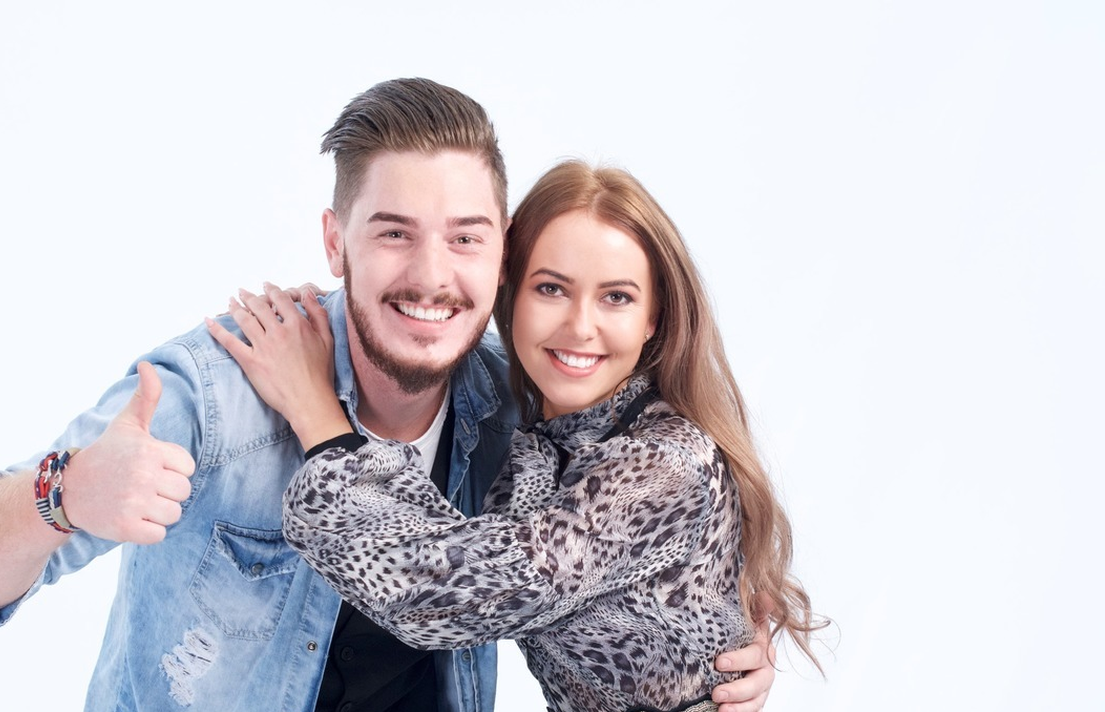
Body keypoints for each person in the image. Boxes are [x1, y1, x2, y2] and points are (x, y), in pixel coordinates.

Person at [0, 79, 776, 711]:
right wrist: (64, 494)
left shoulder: (517, 409)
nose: (432, 276)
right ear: (335, 242)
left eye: (465, 238)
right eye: (394, 233)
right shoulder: (214, 394)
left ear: (502, 255)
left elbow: (609, 552)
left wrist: (717, 655)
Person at [214, 160, 821, 712]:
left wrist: (318, 417)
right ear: (509, 289)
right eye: (551, 288)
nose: (580, 326)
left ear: (652, 320)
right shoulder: (533, 430)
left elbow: (445, 591)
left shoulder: (662, 463)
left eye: (616, 297)